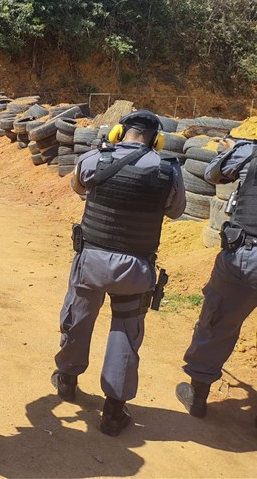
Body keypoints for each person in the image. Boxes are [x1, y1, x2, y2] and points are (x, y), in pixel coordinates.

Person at [51, 110, 186, 436]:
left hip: (92, 261)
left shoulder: (95, 157)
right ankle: (113, 412)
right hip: (135, 268)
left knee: (79, 317)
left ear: (117, 133)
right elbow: (176, 210)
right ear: (157, 139)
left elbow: (77, 185)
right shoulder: (168, 170)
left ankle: (67, 379)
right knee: (125, 332)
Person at [176, 126, 256, 425]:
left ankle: (197, 396)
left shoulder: (248, 152)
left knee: (217, 321)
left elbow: (212, 175)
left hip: (247, 256)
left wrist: (228, 150)